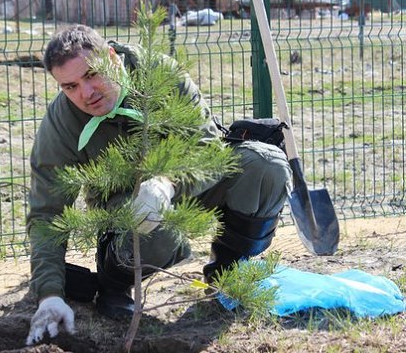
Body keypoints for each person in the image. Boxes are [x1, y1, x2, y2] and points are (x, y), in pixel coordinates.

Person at [25, 24, 291, 345]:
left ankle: (228, 273)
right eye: (70, 86)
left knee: (265, 164)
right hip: (125, 211)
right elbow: (46, 214)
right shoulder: (61, 122)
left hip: (187, 183)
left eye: (92, 74)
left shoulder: (160, 75)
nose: (86, 93)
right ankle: (114, 283)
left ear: (112, 57)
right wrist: (50, 295)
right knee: (155, 228)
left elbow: (208, 148)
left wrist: (167, 183)